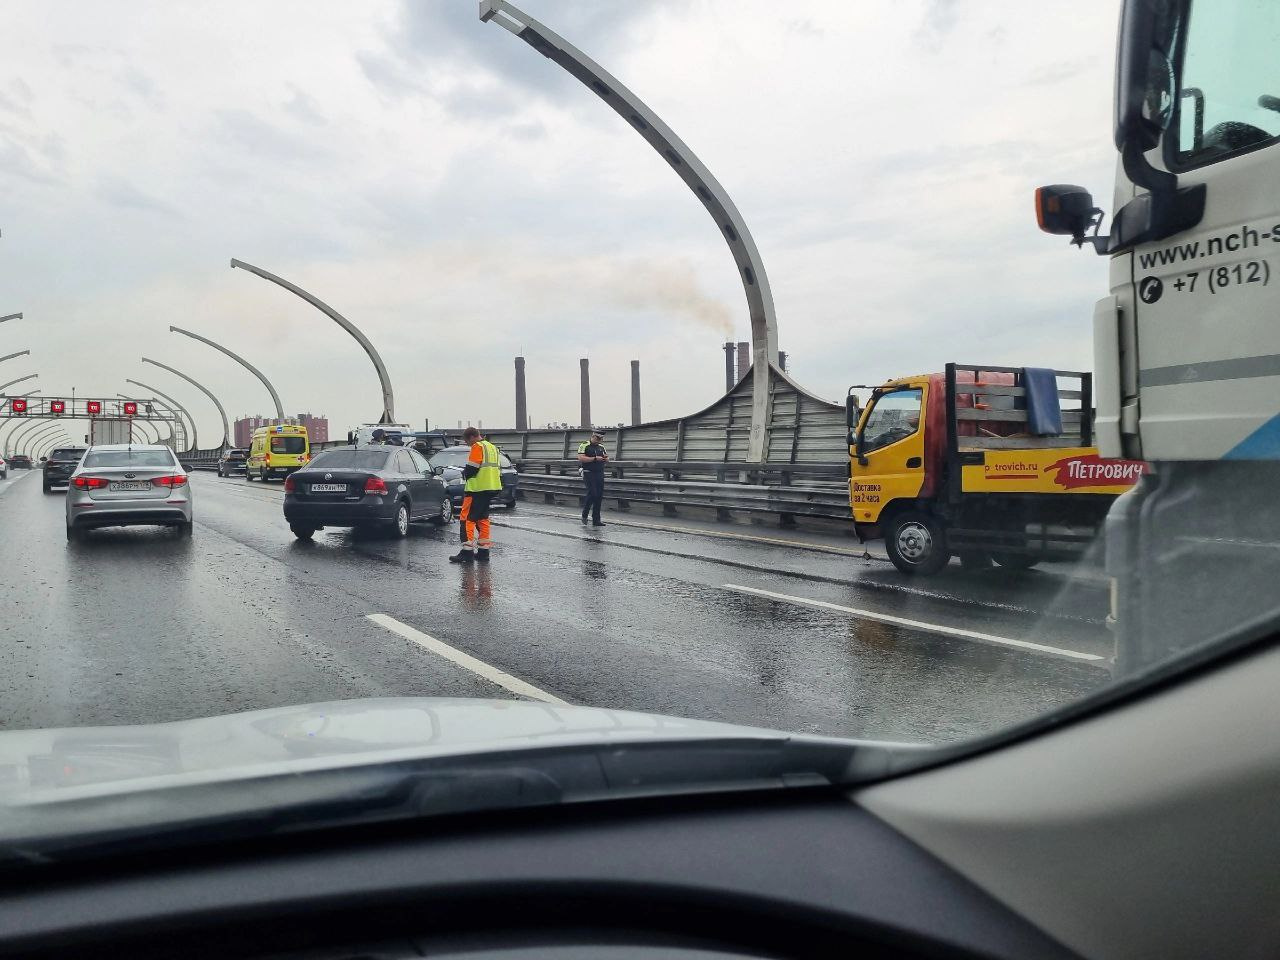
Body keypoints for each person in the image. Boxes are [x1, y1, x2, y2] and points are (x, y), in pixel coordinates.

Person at [450, 427, 504, 564]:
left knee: (467, 518)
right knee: (482, 519)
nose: (468, 444)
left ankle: (467, 552)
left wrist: (464, 473)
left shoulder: (477, 447)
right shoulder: (492, 447)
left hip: (476, 489)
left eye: (467, 441)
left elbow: (472, 469)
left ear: (472, 437)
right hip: (491, 488)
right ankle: (483, 552)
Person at [577, 429, 608, 527]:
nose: (599, 441)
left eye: (601, 439)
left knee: (599, 496)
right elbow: (581, 458)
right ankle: (584, 514)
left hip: (599, 472)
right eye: (598, 438)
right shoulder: (584, 445)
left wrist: (606, 459)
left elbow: (606, 458)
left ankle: (596, 520)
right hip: (588, 472)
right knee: (593, 493)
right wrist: (594, 459)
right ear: (593, 436)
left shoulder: (601, 447)